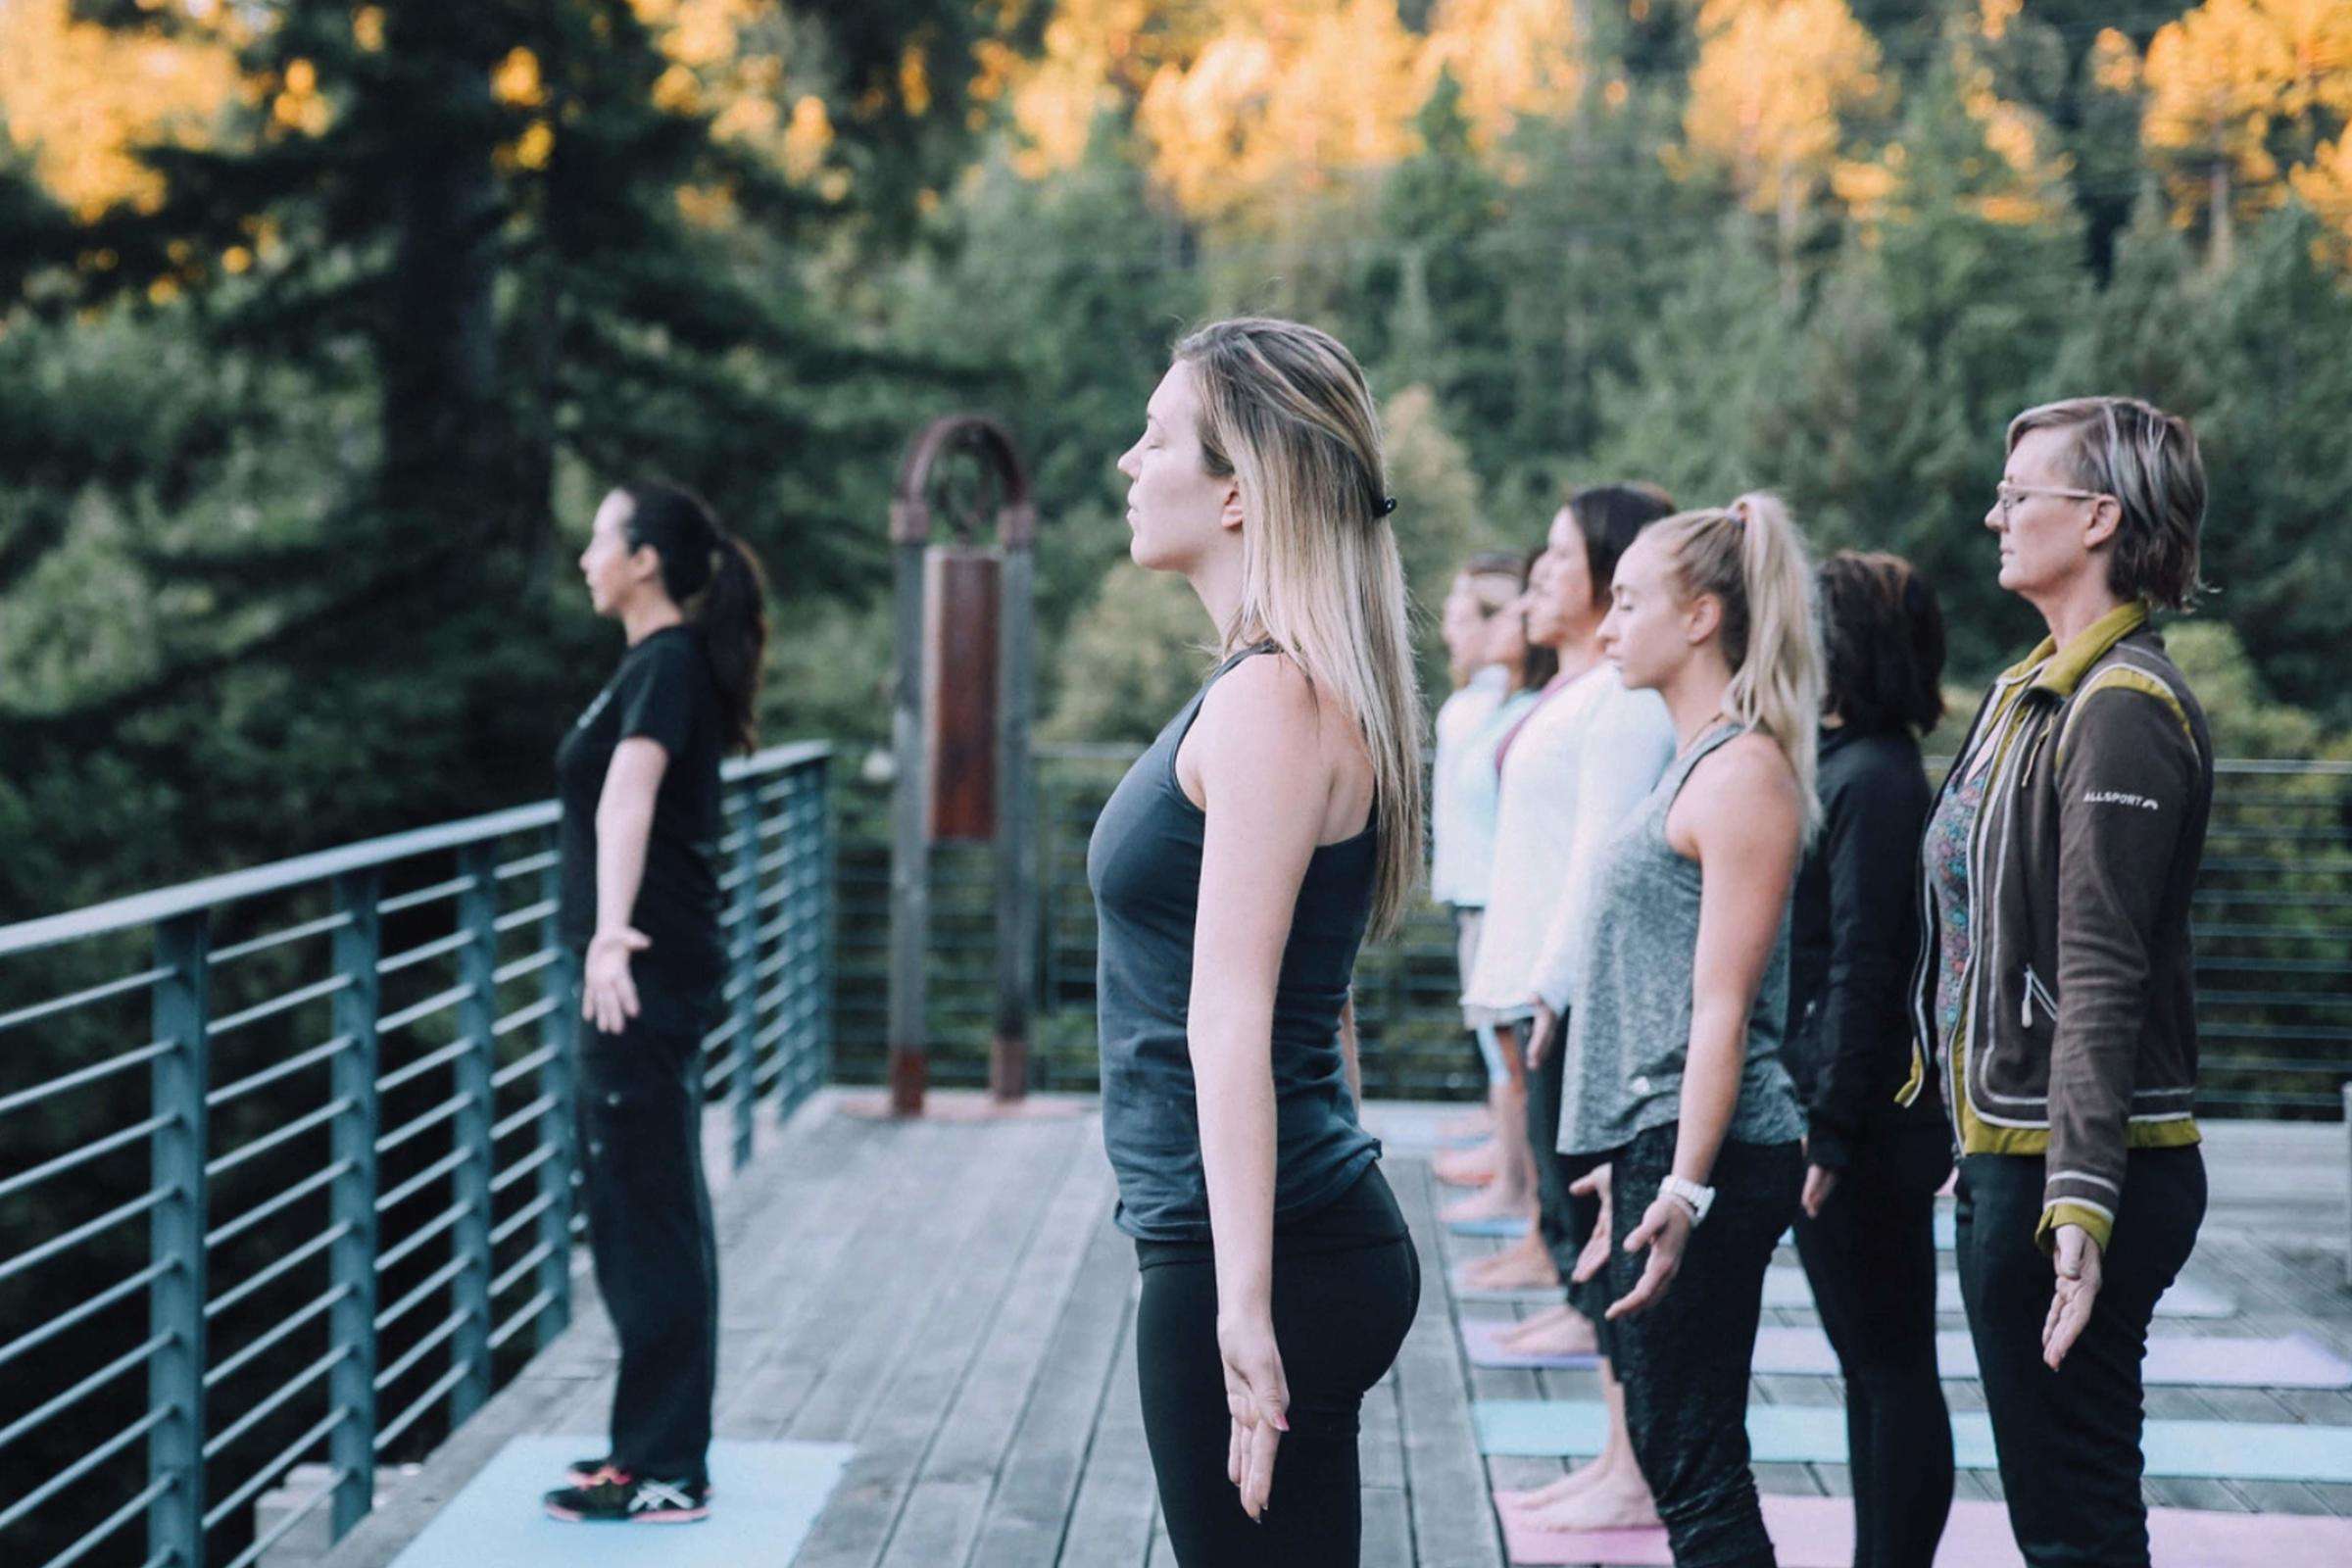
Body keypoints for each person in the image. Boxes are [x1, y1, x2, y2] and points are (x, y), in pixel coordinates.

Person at [1093, 317, 1424, 1566]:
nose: (1129, 461)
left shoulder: (1273, 700)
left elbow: (1230, 1018)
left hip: (1263, 1250)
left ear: (1238, 493)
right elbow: (1313, 1003)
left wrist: (1240, 1309)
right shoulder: (1279, 688)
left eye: (1157, 435)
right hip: (1275, 1229)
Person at [1904, 397, 2214, 1568]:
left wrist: (2076, 1203)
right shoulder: (2029, 691)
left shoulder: (2120, 708)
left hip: (2077, 1173)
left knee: (2076, 1522)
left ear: (2096, 516)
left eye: (2017, 492)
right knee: (2062, 1514)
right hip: (2014, 1156)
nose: (1994, 512)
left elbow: (2100, 971)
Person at [1556, 494, 1820, 1564]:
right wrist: (1633, 1163)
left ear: (1703, 616)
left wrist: (1682, 1186)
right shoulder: (1695, 759)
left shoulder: (1745, 771)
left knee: (1694, 1459)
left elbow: (1724, 1007)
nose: (1608, 626)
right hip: (1662, 1141)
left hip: (1712, 1147)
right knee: (1682, 1451)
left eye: (1628, 602)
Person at [542, 482, 770, 1525]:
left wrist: (606, 934)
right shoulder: (654, 665)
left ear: (641, 560)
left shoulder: (666, 664)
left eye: (599, 536)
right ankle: (645, 1447)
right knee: (634, 1204)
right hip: (644, 968)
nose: (586, 553)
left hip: (641, 968)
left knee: (650, 1210)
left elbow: (628, 795)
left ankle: (668, 1464)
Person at [1473, 485, 1679, 1536]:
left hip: (1576, 994)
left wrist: (1550, 987)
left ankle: (1631, 1464)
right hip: (1542, 981)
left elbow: (1601, 859)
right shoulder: (1585, 691)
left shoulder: (1624, 699)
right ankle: (1617, 1454)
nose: (1543, 574)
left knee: (1605, 1243)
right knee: (1581, 1231)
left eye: (1561, 556)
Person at [1788, 552, 1954, 1568]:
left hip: (1871, 1124)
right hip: (1850, 1109)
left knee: (1890, 1365)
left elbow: (1866, 962)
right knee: (1870, 1364)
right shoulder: (1847, 764)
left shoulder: (1876, 777)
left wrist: (1833, 1125)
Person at [1429, 553, 1542, 1147]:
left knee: (1509, 1050)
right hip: (1470, 890)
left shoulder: (1514, 709)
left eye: (1464, 616)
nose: (1450, 630)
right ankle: (1507, 1162)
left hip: (1495, 897)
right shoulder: (1474, 705)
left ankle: (1516, 1182)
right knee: (1494, 1045)